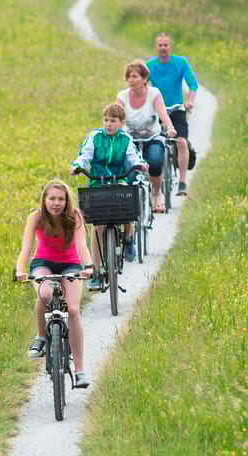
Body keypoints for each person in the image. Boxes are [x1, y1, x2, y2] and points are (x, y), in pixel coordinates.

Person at [15, 180, 95, 388]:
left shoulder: (74, 216)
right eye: (52, 198)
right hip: (43, 263)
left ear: (66, 201)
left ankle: (79, 371)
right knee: (46, 293)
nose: (56, 203)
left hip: (70, 264)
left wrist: (88, 266)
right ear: (45, 200)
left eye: (61, 199)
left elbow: (82, 246)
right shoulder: (36, 217)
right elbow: (26, 247)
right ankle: (41, 337)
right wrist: (20, 270)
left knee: (74, 310)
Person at [69, 103, 147, 289]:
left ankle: (128, 238)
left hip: (118, 180)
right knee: (98, 227)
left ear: (121, 123)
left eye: (113, 120)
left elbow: (133, 157)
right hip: (98, 182)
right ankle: (96, 271)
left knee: (127, 204)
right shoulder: (95, 137)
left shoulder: (125, 139)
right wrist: (77, 165)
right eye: (106, 120)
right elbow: (85, 155)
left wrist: (141, 164)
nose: (108, 124)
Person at [116, 59, 177, 214]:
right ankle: (130, 204)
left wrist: (169, 127)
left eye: (135, 76)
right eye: (129, 77)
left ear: (144, 79)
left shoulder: (153, 93)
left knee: (155, 162)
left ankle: (157, 194)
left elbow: (162, 112)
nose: (131, 80)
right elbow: (116, 116)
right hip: (130, 140)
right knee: (129, 172)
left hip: (152, 138)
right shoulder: (122, 96)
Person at [146, 32, 199, 196]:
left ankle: (182, 182)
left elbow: (192, 83)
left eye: (166, 45)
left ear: (170, 47)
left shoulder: (181, 62)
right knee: (150, 143)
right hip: (156, 110)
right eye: (160, 45)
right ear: (156, 48)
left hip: (176, 109)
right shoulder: (149, 65)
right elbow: (142, 84)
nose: (163, 48)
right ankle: (154, 180)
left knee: (181, 142)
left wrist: (189, 101)